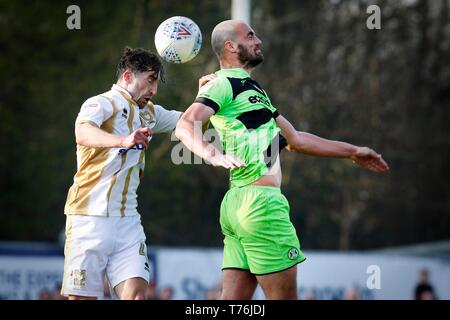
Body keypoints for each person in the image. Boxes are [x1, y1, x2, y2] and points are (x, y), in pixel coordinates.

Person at [175, 20, 389, 300]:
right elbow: (185, 124)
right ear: (230, 46)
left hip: (238, 206)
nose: (258, 40)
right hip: (261, 207)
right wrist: (212, 153)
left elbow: (297, 140)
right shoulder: (224, 84)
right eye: (250, 36)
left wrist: (352, 150)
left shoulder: (253, 90)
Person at [61, 47, 211, 300]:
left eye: (157, 83)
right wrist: (123, 140)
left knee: (138, 297)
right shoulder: (101, 102)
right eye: (150, 80)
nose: (154, 90)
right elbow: (82, 132)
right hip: (89, 217)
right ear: (128, 76)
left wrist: (205, 98)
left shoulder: (149, 112)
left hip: (127, 220)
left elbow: (190, 121)